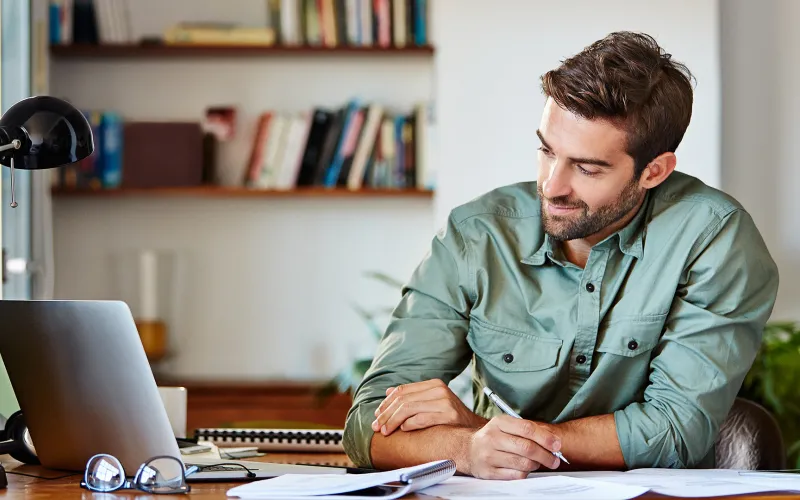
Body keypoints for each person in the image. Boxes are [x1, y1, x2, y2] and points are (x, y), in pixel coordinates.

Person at [342, 31, 779, 480]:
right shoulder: (476, 235)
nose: (552, 186)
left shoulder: (714, 237)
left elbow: (673, 432)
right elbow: (366, 426)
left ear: (654, 171)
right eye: (546, 151)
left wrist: (494, 434)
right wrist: (467, 448)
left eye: (587, 168)